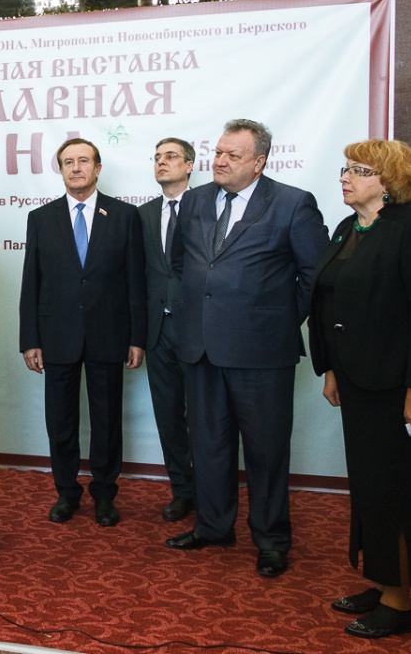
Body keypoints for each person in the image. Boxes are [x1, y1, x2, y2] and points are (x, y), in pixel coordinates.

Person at [309, 139, 411, 639]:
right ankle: (384, 582)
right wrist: (331, 369)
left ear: (391, 181)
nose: (345, 177)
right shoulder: (350, 228)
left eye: (359, 170)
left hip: (403, 388)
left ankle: (399, 604)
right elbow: (331, 304)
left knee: (401, 492)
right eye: (346, 168)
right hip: (360, 385)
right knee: (373, 490)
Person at [165, 119, 328, 579]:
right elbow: (181, 263)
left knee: (265, 452)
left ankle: (271, 540)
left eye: (232, 155)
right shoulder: (195, 200)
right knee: (209, 446)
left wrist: (276, 321)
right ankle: (213, 526)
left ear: (259, 162)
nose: (219, 161)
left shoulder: (293, 203)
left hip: (262, 353)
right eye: (218, 152)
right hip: (200, 350)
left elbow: (315, 275)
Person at [19, 138, 146, 527]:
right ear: (60, 170)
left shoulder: (124, 216)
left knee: (107, 420)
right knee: (60, 421)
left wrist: (137, 337)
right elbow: (31, 282)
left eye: (83, 161)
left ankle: (105, 494)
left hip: (109, 333)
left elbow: (136, 281)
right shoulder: (41, 218)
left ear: (98, 168)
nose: (76, 168)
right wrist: (30, 339)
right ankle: (66, 492)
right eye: (68, 162)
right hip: (56, 335)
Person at [137, 137, 196, 522]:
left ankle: (210, 492)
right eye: (157, 157)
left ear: (189, 165)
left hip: (199, 330)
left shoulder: (208, 207)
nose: (162, 162)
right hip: (157, 330)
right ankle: (183, 491)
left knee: (205, 418)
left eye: (171, 156)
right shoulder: (142, 215)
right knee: (168, 416)